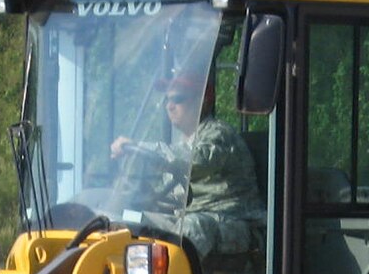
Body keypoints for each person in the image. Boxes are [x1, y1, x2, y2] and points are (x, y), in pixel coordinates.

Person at [109, 69, 264, 257]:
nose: (169, 106)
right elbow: (171, 195)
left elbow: (197, 161)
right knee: (124, 219)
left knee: (193, 227)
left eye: (178, 99)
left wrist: (141, 147)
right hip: (186, 218)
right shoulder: (181, 146)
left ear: (203, 101)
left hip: (233, 223)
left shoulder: (219, 134)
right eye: (167, 100)